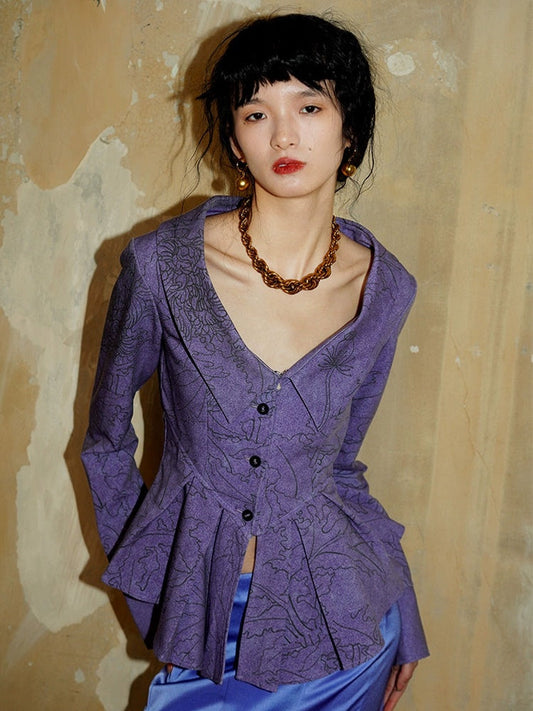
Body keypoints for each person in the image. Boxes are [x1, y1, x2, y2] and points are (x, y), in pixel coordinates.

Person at [82, 12, 429, 711]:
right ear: (235, 139)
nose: (283, 135)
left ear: (349, 129)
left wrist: (408, 620)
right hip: (206, 628)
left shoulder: (386, 288)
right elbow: (106, 443)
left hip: (347, 635)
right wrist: (159, 587)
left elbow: (342, 469)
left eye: (309, 106)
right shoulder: (161, 267)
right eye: (255, 112)